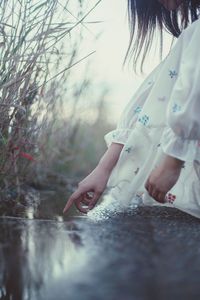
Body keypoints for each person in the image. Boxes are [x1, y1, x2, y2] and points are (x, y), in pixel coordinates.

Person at [63, 0, 200, 219]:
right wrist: (104, 168)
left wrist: (173, 159)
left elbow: (192, 97)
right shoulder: (191, 38)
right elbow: (150, 105)